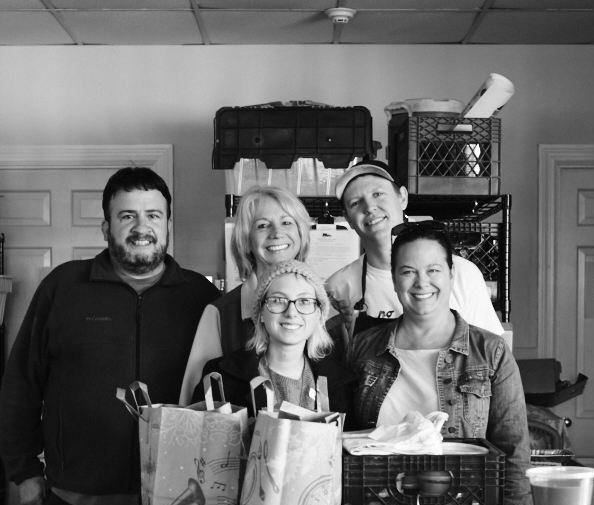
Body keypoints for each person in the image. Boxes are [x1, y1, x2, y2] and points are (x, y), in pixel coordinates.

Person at [0, 166, 220, 505]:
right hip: (73, 498)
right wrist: (23, 470)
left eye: (153, 215)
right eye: (127, 216)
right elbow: (22, 381)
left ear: (167, 225)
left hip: (178, 500)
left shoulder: (202, 299)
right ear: (106, 228)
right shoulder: (63, 288)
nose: (141, 227)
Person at [348, 221, 531, 505]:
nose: (422, 283)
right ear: (394, 280)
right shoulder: (363, 348)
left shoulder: (490, 352)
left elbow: (514, 457)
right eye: (408, 271)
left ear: (451, 275)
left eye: (433, 269)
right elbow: (345, 446)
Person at [324, 160, 504, 348]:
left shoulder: (462, 273)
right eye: (355, 203)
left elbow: (492, 355)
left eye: (378, 194)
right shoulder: (336, 288)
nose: (369, 207)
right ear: (348, 220)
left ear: (402, 197)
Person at [178, 185, 312, 406]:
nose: (277, 233)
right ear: (246, 240)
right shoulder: (220, 314)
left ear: (301, 234)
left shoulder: (329, 309)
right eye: (262, 225)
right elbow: (196, 406)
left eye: (287, 222)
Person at [195, 260, 354, 414]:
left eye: (304, 301)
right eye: (278, 300)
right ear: (262, 313)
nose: (291, 313)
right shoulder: (219, 378)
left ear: (318, 314)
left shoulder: (342, 383)